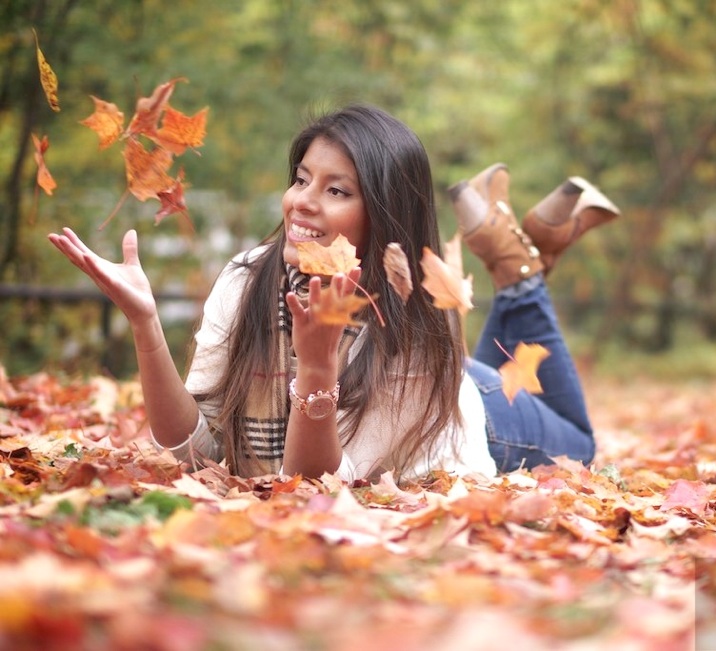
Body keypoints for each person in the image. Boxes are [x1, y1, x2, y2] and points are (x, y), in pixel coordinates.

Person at [48, 104, 620, 483]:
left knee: (582, 446)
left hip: (481, 419)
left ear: (385, 215)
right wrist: (146, 327)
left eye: (336, 189)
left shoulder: (415, 334)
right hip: (425, 377)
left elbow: (313, 490)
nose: (301, 200)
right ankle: (513, 256)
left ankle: (516, 271)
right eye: (300, 178)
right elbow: (196, 456)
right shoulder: (251, 279)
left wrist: (317, 366)